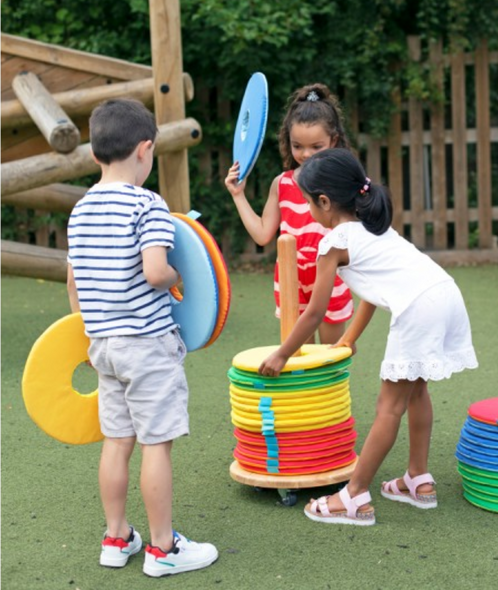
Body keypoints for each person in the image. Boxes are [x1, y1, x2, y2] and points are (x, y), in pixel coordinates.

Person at [259, 148, 478, 526]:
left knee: (388, 406)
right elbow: (373, 294)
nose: (309, 210)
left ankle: (354, 495)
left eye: (309, 202)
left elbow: (313, 312)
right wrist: (348, 337)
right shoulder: (374, 229)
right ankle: (418, 479)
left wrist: (282, 354)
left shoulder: (334, 244)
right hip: (445, 293)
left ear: (324, 202)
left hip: (418, 307)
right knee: (417, 390)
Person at [66, 98, 218, 575]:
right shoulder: (147, 204)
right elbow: (156, 272)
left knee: (117, 441)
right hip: (148, 344)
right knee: (157, 444)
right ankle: (162, 549)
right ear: (145, 150)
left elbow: (74, 282)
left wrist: (90, 336)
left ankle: (116, 538)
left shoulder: (81, 210)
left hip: (104, 345)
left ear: (95, 156)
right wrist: (180, 275)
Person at [225, 83, 354, 344]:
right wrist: (238, 195)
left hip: (330, 276)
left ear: (334, 141)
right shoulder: (281, 184)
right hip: (290, 280)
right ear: (289, 142)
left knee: (331, 356)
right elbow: (262, 234)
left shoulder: (342, 183)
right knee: (300, 359)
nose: (306, 155)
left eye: (316, 147)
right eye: (298, 146)